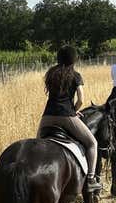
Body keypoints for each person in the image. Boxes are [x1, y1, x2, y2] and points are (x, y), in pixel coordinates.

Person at [38, 45, 102, 192]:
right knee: (92, 143)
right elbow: (81, 99)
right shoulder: (75, 75)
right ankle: (91, 179)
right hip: (66, 116)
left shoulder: (51, 74)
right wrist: (74, 110)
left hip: (47, 116)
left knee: (37, 144)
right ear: (74, 59)